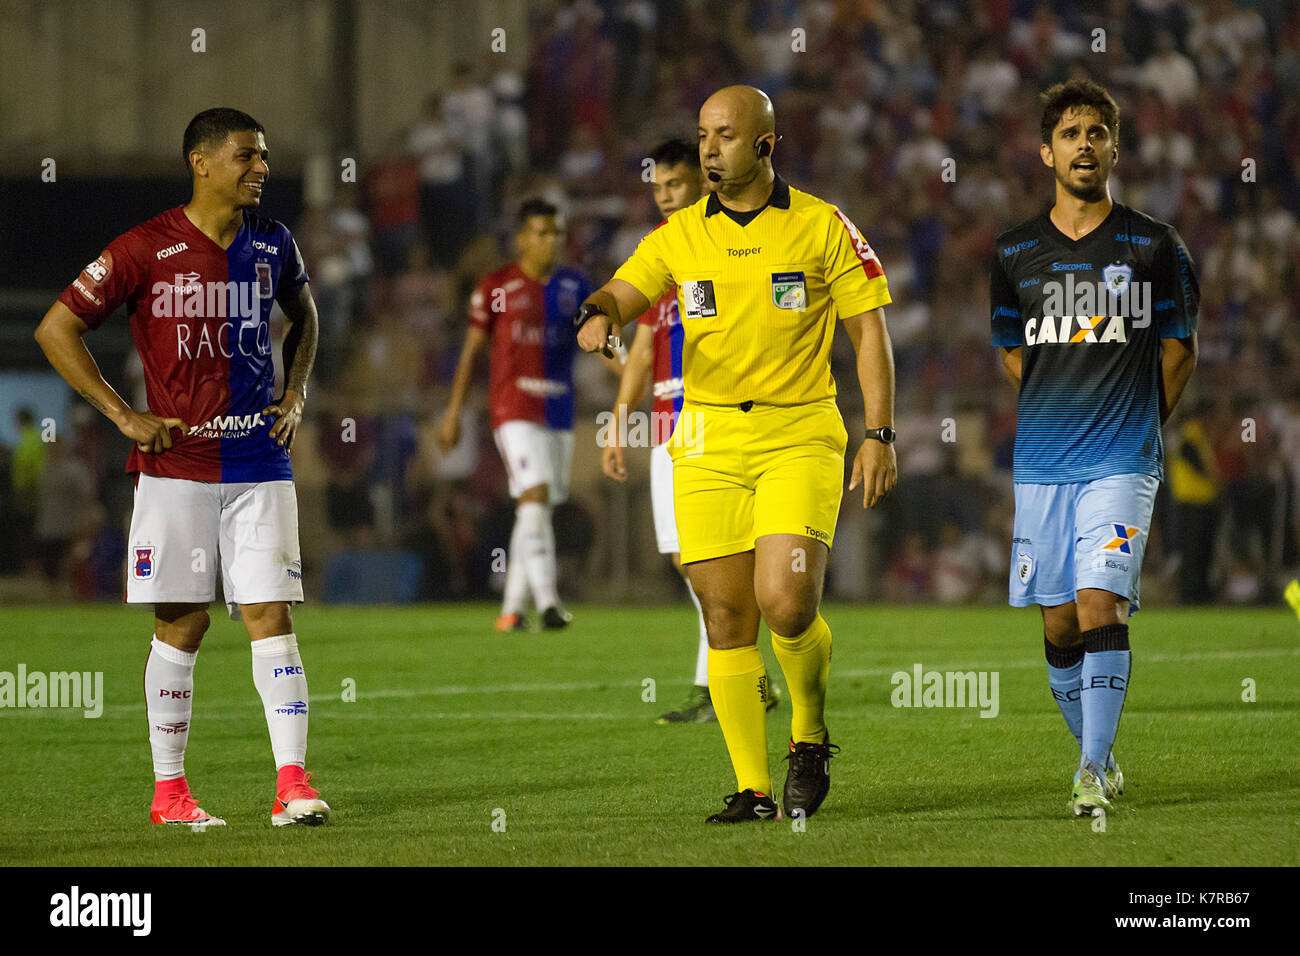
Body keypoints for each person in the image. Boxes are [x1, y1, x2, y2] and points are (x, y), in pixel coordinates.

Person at [577, 86, 897, 823]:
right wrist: (597, 316)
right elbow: (625, 289)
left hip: (798, 432)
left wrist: (878, 433)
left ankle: (809, 737)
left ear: (765, 144)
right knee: (725, 617)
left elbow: (869, 333)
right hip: (706, 439)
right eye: (703, 135)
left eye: (724, 135)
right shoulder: (682, 233)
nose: (709, 149)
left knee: (786, 603)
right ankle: (754, 788)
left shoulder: (822, 226)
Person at [34, 107, 330, 829]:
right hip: (176, 468)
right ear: (201, 162)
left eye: (263, 156)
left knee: (271, 614)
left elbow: (307, 315)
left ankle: (292, 783)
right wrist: (123, 416)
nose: (261, 167)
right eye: (246, 155)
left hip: (260, 461)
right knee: (184, 624)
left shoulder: (273, 243)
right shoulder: (144, 249)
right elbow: (57, 328)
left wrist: (296, 393)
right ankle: (171, 795)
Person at [990, 80, 1198, 817]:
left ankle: (1086, 772)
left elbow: (1179, 352)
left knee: (1098, 600)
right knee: (1056, 620)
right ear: (1046, 151)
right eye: (1071, 133)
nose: (1085, 143)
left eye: (1098, 132)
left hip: (1121, 457)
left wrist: (1139, 422)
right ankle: (1102, 756)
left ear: (1114, 147)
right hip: (1043, 463)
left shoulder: (1153, 245)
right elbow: (1013, 353)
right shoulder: (1015, 251)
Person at [600, 138, 778, 725]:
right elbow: (646, 343)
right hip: (663, 422)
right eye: (657, 189)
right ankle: (743, 674)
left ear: (700, 184)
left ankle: (720, 684)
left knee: (705, 561)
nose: (665, 197)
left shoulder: (722, 245)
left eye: (674, 185)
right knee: (684, 559)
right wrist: (619, 419)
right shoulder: (662, 256)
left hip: (707, 418)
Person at [438, 199, 597, 631]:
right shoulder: (496, 286)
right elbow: (470, 354)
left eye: (558, 233)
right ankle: (548, 603)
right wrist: (452, 413)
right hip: (513, 405)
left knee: (538, 505)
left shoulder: (576, 284)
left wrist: (633, 370)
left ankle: (510, 609)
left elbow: (599, 339)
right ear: (522, 238)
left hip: (559, 406)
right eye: (542, 232)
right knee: (536, 494)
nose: (552, 241)